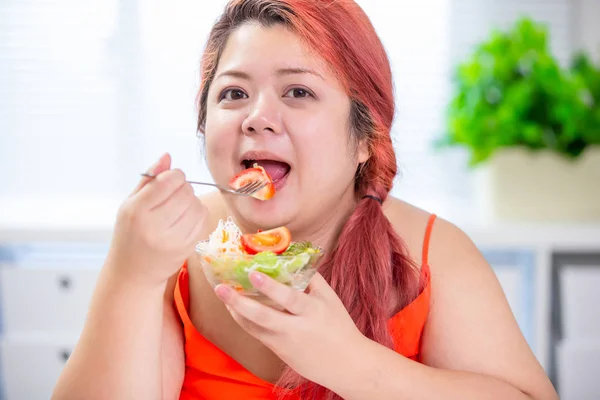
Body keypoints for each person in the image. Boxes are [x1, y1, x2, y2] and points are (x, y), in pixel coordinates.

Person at [52, 0, 559, 399]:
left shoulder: (433, 255)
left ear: (364, 138)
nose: (256, 116)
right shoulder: (171, 253)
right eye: (233, 93)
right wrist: (130, 277)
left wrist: (353, 365)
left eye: (297, 92)